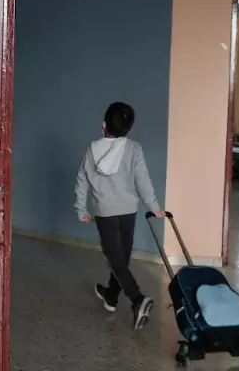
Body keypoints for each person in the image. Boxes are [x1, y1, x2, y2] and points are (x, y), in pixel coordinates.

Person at [74, 102, 165, 332]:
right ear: (129, 130)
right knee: (121, 258)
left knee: (116, 260)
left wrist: (81, 209)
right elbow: (143, 180)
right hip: (128, 213)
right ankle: (111, 296)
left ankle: (137, 299)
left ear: (103, 124)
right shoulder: (134, 148)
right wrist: (154, 206)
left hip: (106, 214)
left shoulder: (91, 150)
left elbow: (82, 181)